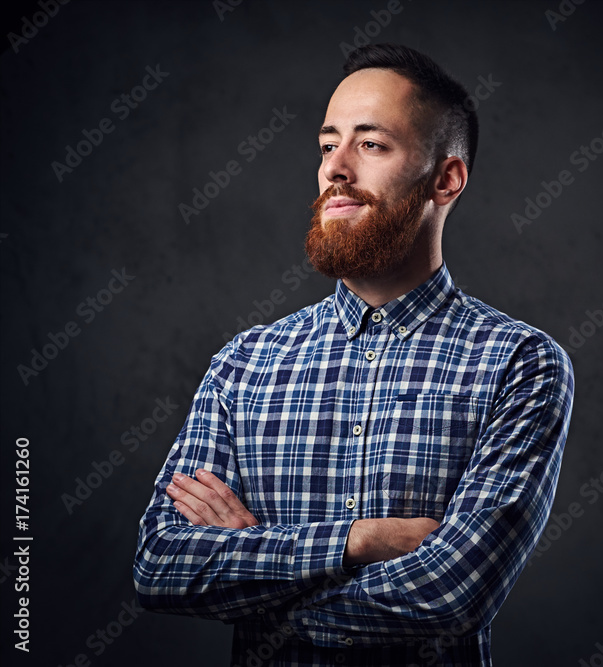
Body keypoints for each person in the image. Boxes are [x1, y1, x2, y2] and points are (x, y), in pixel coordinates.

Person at [133, 43, 574, 666]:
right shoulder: (246, 362)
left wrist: (256, 561)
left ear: (445, 179)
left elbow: (452, 594)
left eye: (371, 144)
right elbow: (161, 566)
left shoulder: (519, 363)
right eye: (326, 144)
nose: (335, 168)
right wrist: (355, 542)